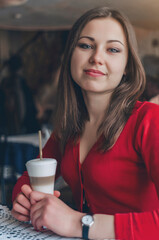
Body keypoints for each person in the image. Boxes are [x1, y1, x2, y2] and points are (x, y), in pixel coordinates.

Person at [11, 6, 159, 240]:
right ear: (70, 54)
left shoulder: (149, 120)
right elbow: (30, 177)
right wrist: (23, 199)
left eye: (112, 49)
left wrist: (79, 223)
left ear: (127, 66)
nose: (96, 58)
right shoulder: (69, 125)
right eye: (86, 45)